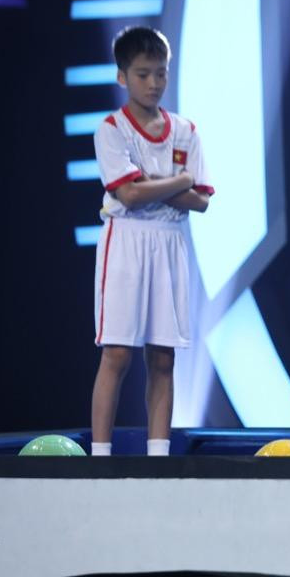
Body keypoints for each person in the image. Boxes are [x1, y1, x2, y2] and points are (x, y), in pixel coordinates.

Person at [89, 26, 213, 456]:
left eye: (160, 73)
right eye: (143, 74)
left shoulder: (186, 130)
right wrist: (178, 180)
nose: (154, 83)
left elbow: (201, 201)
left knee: (163, 357)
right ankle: (99, 458)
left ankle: (157, 457)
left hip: (170, 242)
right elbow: (128, 195)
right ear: (122, 76)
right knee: (117, 354)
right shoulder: (111, 129)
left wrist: (153, 183)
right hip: (125, 241)